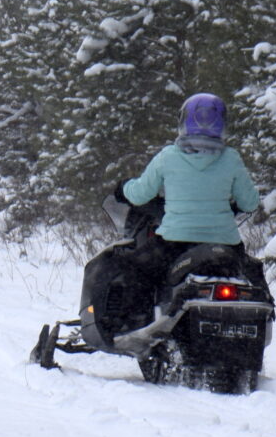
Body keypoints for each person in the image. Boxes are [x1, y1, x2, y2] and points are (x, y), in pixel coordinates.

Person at [107, 92, 260, 328]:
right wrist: (232, 206)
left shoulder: (168, 156)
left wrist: (123, 188)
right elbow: (250, 202)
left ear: (183, 121)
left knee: (135, 270)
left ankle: (135, 327)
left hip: (175, 243)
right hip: (225, 245)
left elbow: (140, 194)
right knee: (250, 272)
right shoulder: (231, 159)